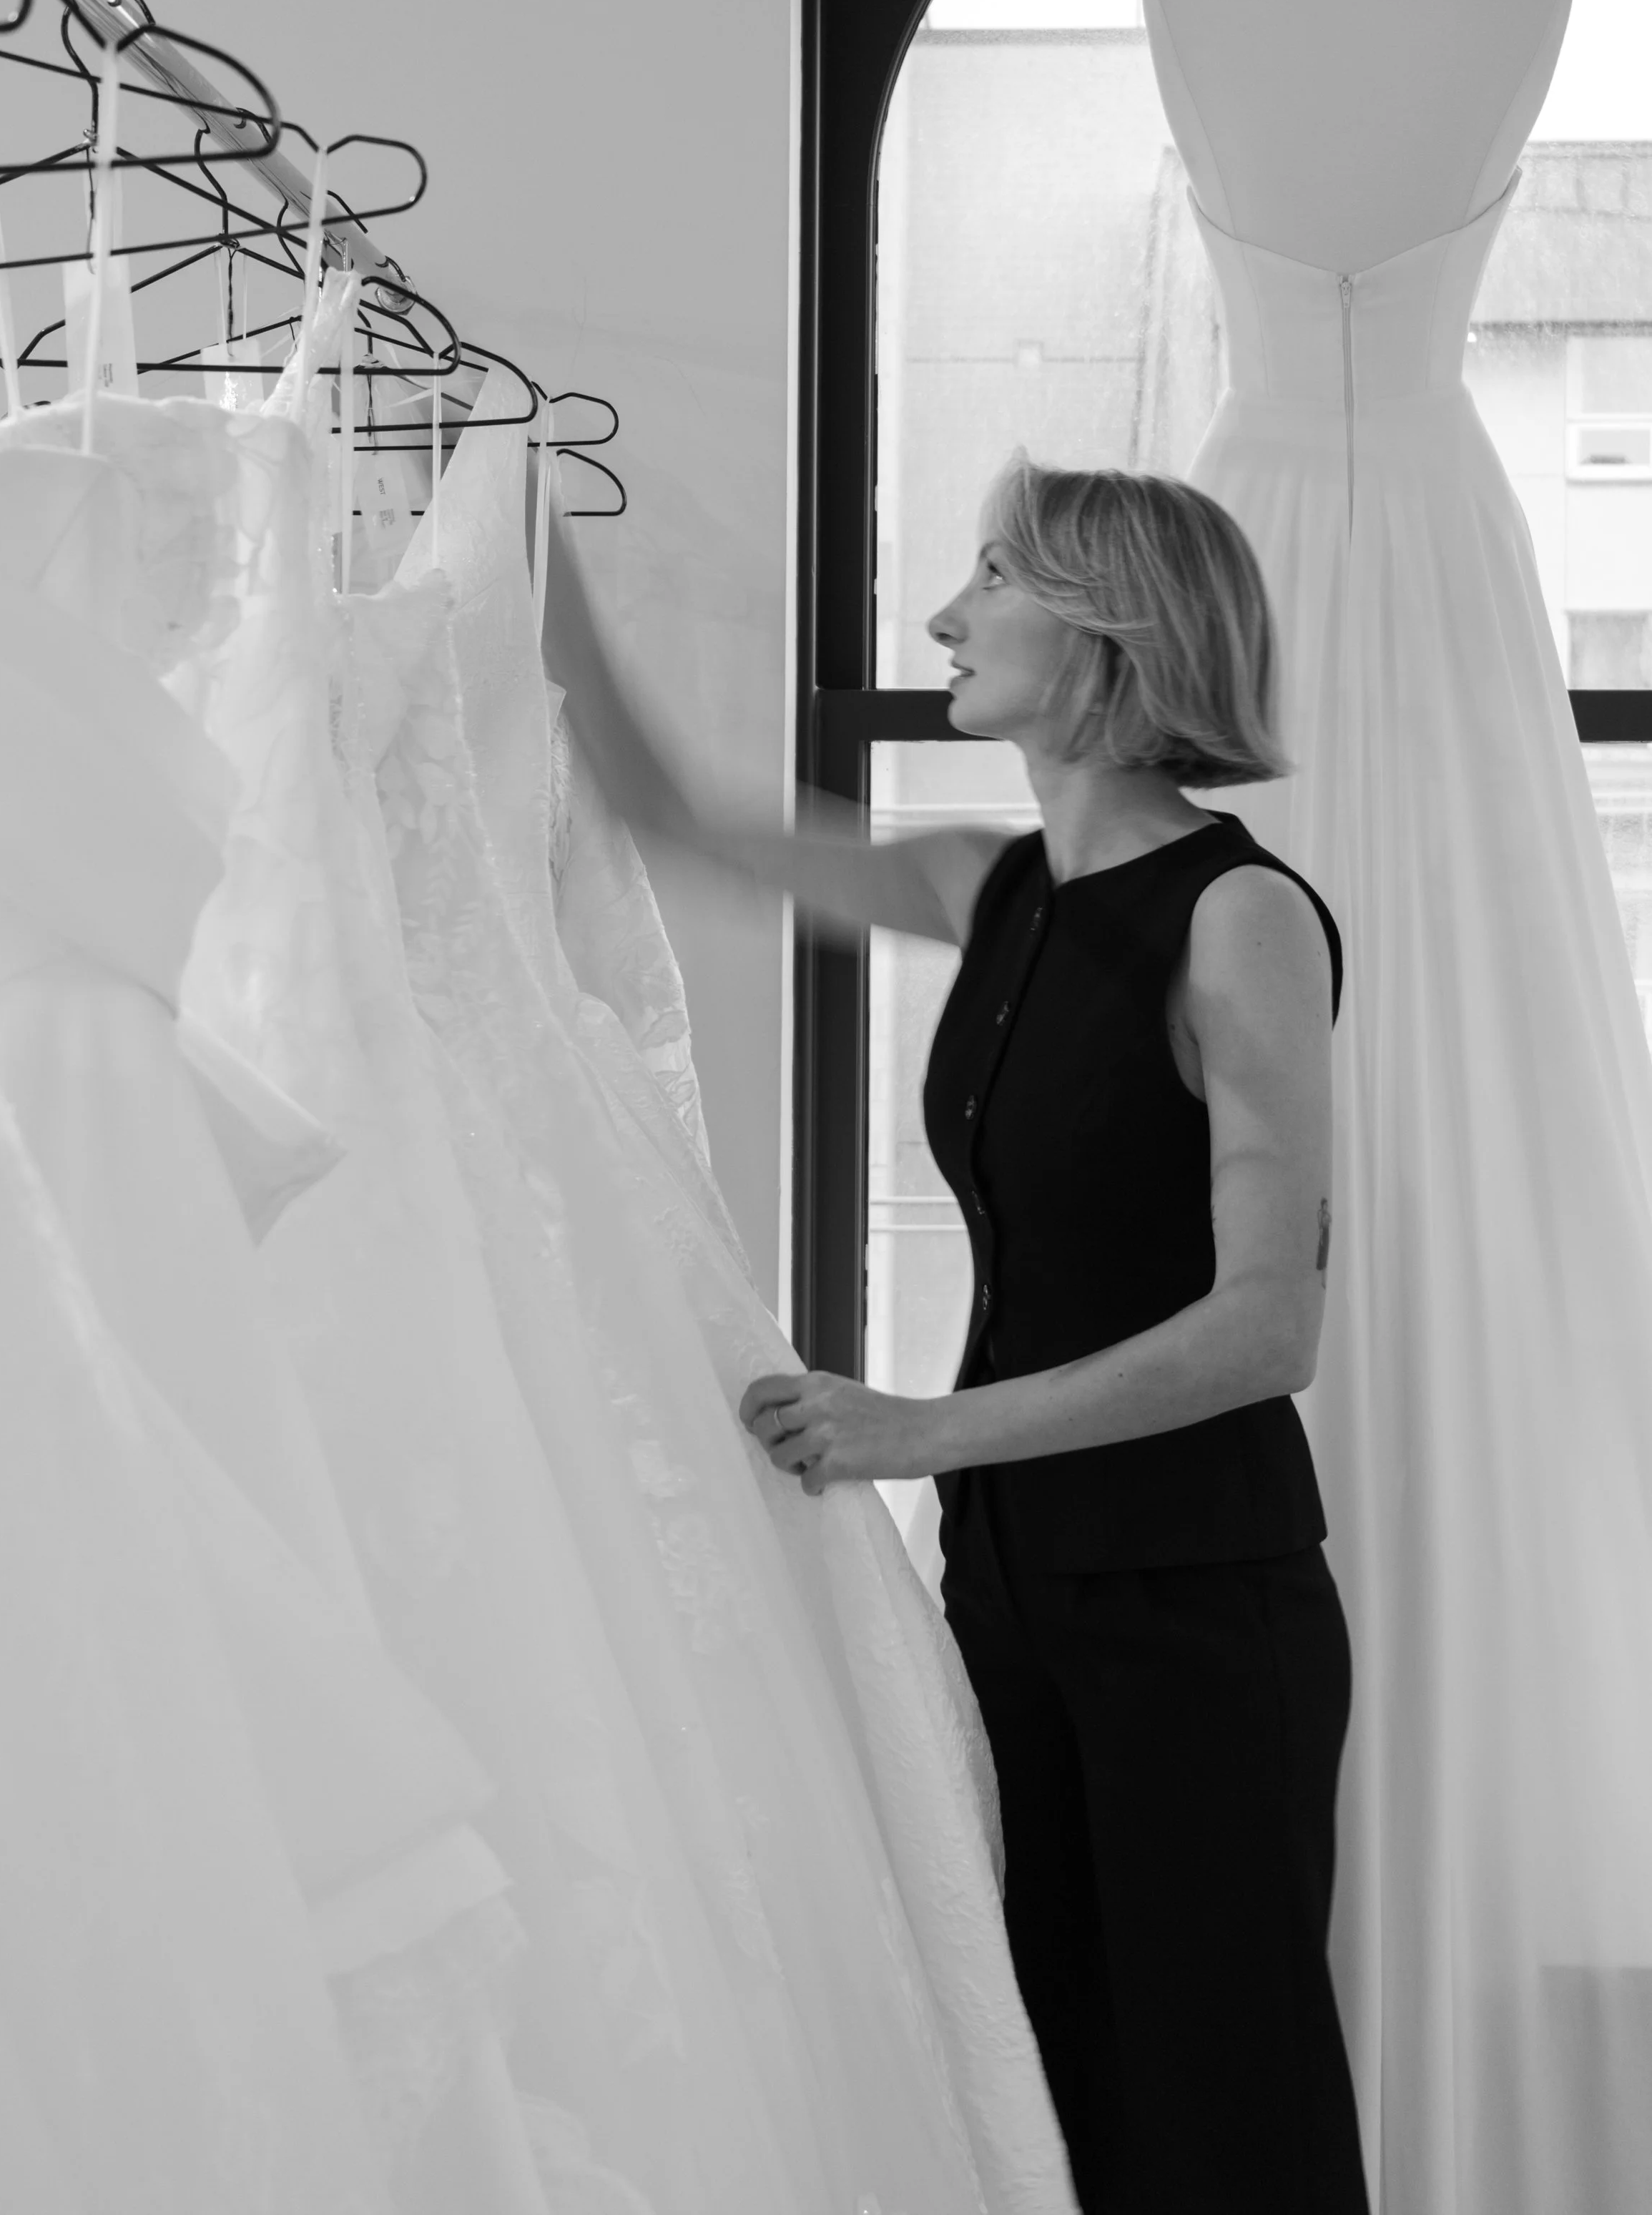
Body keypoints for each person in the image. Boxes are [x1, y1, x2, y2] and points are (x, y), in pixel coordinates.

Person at [543, 455, 1369, 2215]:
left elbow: (1264, 1329)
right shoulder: (992, 889)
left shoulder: (1240, 917)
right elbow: (673, 812)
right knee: (1045, 2081)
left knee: (1224, 2114)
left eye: (987, 574)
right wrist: (512, 533)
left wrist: (911, 1430)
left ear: (1104, 631)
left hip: (1196, 1607)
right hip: (1004, 1587)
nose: (938, 616)